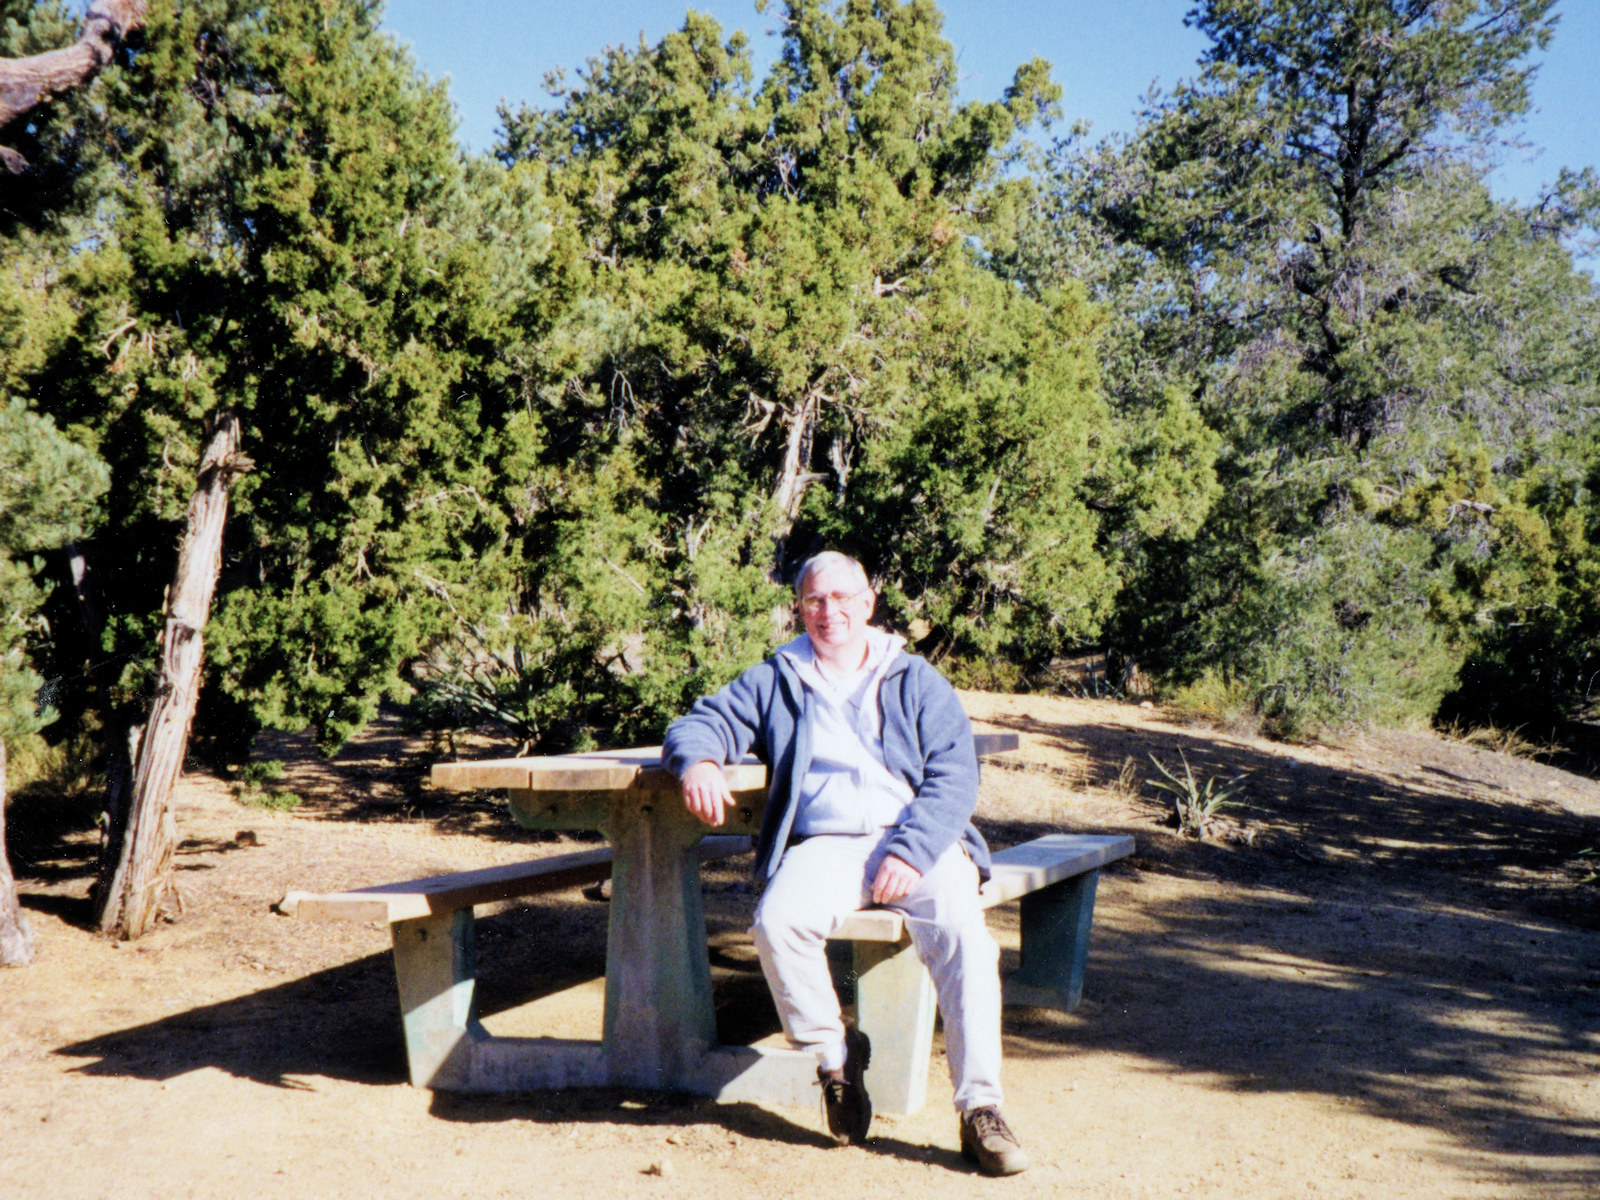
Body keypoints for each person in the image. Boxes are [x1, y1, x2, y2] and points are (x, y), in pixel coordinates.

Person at [662, 550, 1028, 1176]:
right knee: (777, 924)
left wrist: (911, 851)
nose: (828, 612)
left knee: (966, 939)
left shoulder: (914, 679)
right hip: (827, 845)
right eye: (813, 601)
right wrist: (696, 761)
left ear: (867, 603)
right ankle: (835, 1056)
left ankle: (980, 1109)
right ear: (799, 609)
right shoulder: (777, 677)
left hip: (917, 839)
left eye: (841, 599)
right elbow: (704, 720)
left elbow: (954, 776)